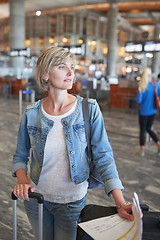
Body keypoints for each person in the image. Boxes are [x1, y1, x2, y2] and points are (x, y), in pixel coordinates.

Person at [13, 46, 134, 240]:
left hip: (71, 202)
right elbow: (20, 156)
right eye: (62, 67)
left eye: (72, 66)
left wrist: (120, 203)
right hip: (36, 200)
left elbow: (104, 156)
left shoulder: (89, 109)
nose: (71, 73)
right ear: (45, 74)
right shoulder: (31, 114)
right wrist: (23, 182)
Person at [136, 67, 160, 157]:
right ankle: (158, 143)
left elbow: (139, 100)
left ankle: (142, 150)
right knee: (149, 129)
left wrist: (139, 92)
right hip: (153, 111)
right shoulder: (155, 84)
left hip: (144, 112)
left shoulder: (142, 86)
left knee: (143, 130)